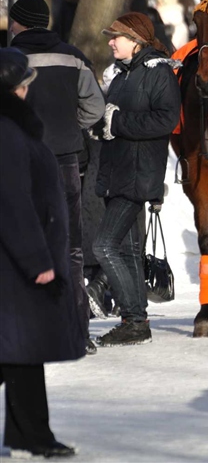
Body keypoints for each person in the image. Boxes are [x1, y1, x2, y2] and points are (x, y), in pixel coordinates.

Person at [10, 0, 105, 355]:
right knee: (71, 248)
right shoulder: (73, 57)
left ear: (18, 23)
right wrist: (70, 128)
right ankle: (77, 331)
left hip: (22, 161)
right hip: (65, 161)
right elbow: (94, 107)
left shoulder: (11, 60)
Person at [0, 48, 84, 458]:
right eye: (24, 85)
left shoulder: (12, 130)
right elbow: (13, 204)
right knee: (18, 353)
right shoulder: (7, 134)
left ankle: (27, 434)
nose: (27, 92)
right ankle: (32, 436)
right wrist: (38, 262)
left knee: (19, 355)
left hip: (14, 266)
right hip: (15, 268)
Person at [89, 12, 181, 347]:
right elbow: (113, 121)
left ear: (136, 40)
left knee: (104, 245)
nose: (111, 42)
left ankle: (135, 319)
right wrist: (100, 128)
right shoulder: (121, 75)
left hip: (137, 175)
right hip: (117, 172)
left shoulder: (159, 73)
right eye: (110, 36)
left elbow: (165, 121)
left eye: (117, 37)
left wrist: (118, 123)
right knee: (126, 250)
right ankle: (134, 320)